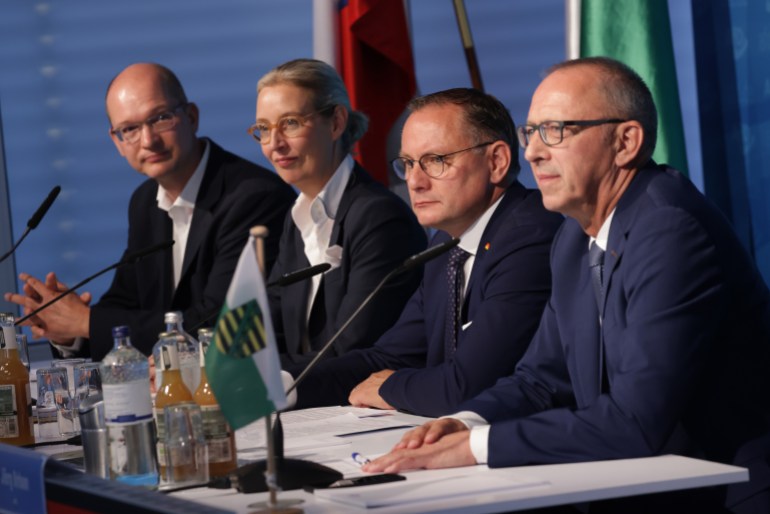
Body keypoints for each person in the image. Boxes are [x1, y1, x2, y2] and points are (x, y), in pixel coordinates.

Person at [363, 57, 770, 513]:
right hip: (638, 485)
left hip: (725, 494)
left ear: (626, 141)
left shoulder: (671, 228)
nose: (534, 152)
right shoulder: (573, 234)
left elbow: (634, 421)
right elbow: (539, 379)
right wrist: (462, 423)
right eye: (530, 132)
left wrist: (477, 448)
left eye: (556, 131)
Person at [291, 87, 564, 417]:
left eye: (435, 161)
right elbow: (386, 359)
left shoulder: (531, 238)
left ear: (497, 161)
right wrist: (279, 389)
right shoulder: (444, 248)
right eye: (407, 164)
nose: (414, 181)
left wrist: (389, 387)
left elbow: (467, 387)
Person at [5, 63, 295, 361]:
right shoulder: (144, 202)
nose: (148, 140)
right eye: (129, 129)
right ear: (117, 142)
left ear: (192, 117)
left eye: (160, 119)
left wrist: (86, 322)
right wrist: (68, 328)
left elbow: (221, 323)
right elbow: (125, 304)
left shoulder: (254, 197)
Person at [254, 58, 426, 369]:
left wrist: (252, 375)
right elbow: (267, 326)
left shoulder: (380, 219)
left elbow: (351, 351)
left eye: (290, 123)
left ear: (336, 122)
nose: (275, 144)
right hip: (309, 404)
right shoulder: (297, 217)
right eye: (264, 129)